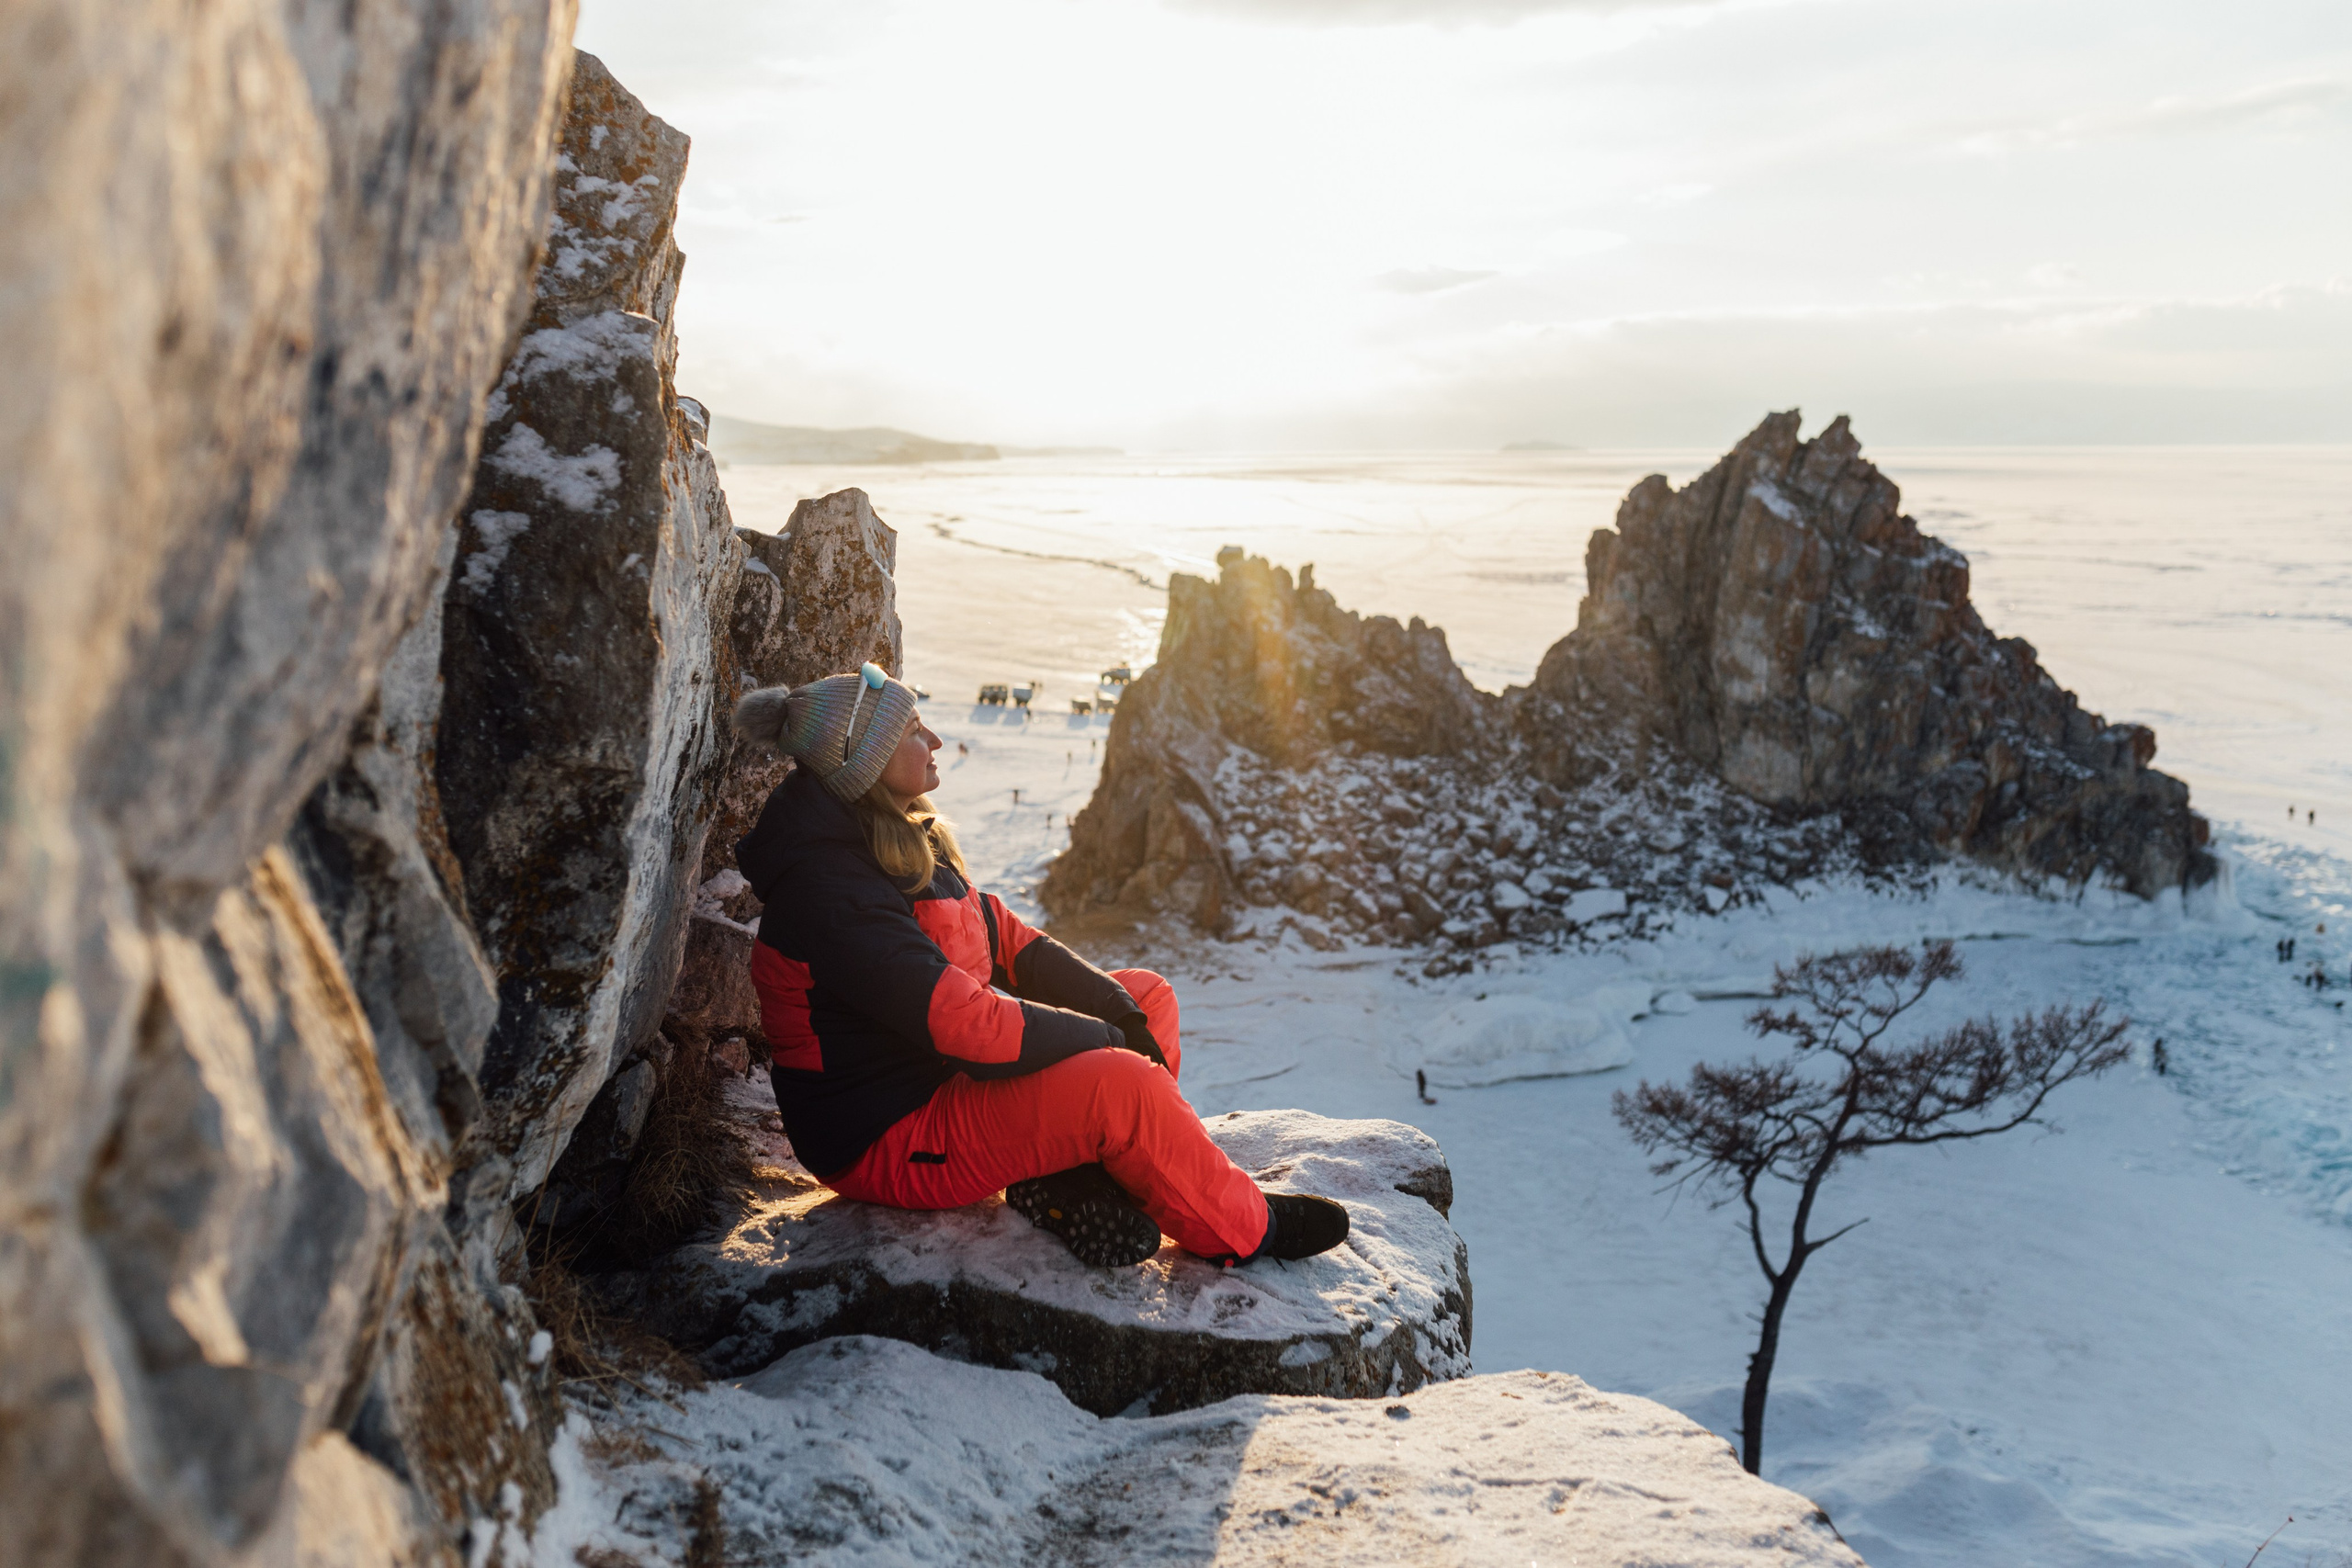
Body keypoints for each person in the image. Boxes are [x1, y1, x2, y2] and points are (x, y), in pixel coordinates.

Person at [729, 663, 1351, 1269]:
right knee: (1121, 1082)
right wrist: (1108, 1040)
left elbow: (1007, 940)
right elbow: (965, 1024)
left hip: (939, 1081)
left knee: (1145, 996)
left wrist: (1117, 1012)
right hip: (887, 1137)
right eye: (915, 730)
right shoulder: (830, 891)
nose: (937, 740)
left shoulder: (896, 833)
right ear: (868, 761)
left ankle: (1090, 1183)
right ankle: (1243, 1228)